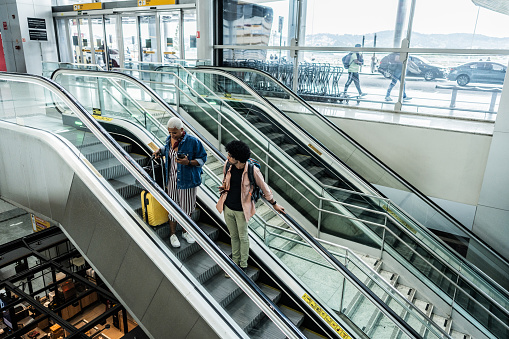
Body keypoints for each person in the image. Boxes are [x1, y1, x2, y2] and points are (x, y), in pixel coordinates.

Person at [216, 140, 285, 275]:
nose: (227, 157)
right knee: (233, 236)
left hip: (242, 210)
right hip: (228, 206)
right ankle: (235, 262)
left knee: (243, 236)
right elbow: (226, 181)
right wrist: (224, 187)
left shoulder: (253, 170)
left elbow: (265, 189)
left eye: (230, 155)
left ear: (239, 158)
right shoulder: (228, 165)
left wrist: (274, 204)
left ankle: (243, 265)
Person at [154, 117, 207, 248]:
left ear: (181, 130)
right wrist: (160, 151)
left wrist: (188, 162)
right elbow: (167, 150)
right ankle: (173, 234)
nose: (172, 135)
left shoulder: (193, 142)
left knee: (187, 209)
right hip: (171, 181)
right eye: (170, 132)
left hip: (187, 182)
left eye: (174, 133)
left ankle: (185, 231)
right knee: (172, 208)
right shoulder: (169, 140)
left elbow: (202, 159)